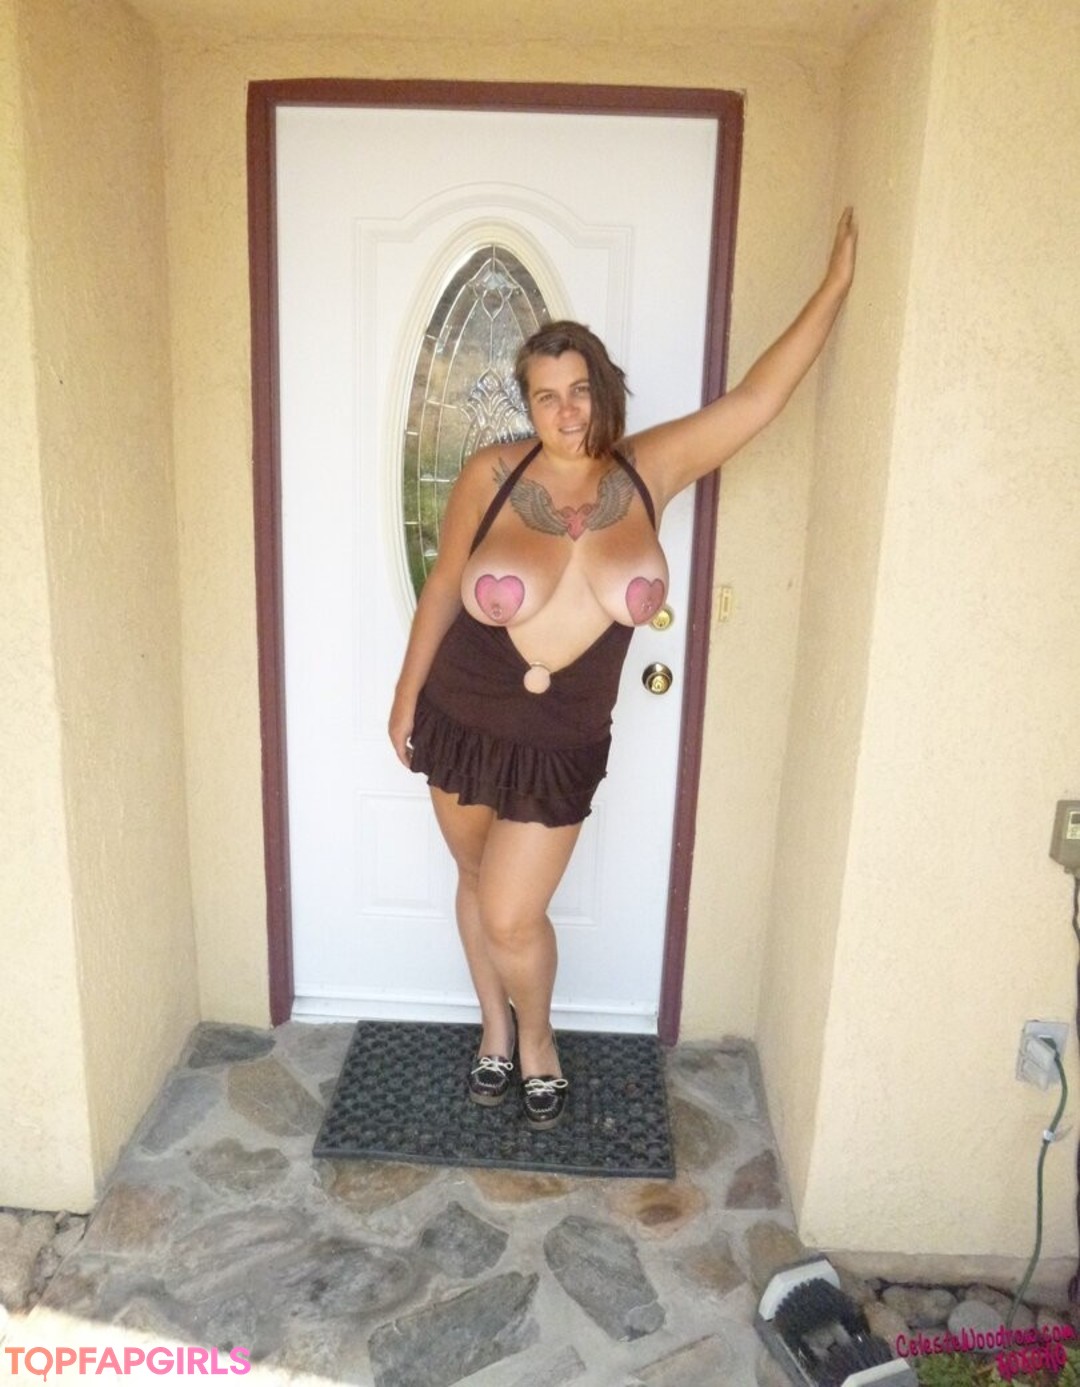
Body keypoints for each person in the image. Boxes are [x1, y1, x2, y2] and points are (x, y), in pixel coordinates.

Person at [389, 208, 858, 1130]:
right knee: (476, 878)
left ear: (603, 390)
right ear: (527, 407)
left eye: (579, 391)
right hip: (463, 710)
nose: (565, 411)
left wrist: (835, 287)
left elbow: (756, 401)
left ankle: (538, 1040)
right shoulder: (490, 474)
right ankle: (494, 1028)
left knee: (514, 911)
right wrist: (406, 696)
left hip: (561, 739)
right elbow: (444, 584)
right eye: (545, 397)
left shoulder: (650, 470)